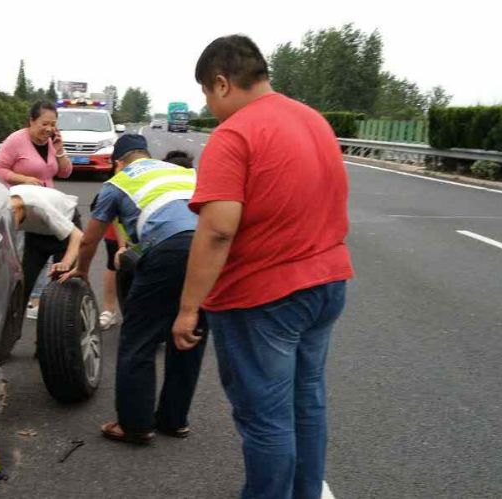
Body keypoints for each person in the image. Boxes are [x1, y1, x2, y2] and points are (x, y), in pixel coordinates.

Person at [172, 35, 354, 499]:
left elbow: (217, 230)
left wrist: (189, 308)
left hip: (265, 297)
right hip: (327, 283)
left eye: (207, 94)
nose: (209, 105)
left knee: (266, 419)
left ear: (221, 83)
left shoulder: (235, 134)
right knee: (305, 403)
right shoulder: (313, 120)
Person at [62, 134, 207, 444]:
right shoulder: (183, 172)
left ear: (118, 162)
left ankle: (135, 424)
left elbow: (89, 239)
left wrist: (82, 271)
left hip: (167, 252)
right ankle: (174, 420)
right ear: (146, 154)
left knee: (139, 339)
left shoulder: (119, 183)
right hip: (210, 249)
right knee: (188, 335)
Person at [0, 100, 74, 317]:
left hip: (47, 207)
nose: (48, 129)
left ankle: (41, 299)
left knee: (48, 252)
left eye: (53, 125)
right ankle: (22, 302)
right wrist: (24, 179)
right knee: (25, 255)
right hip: (23, 207)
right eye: (44, 124)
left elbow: (65, 173)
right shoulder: (16, 141)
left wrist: (59, 150)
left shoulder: (51, 142)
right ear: (31, 121)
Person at [8, 184, 83, 315]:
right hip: (35, 231)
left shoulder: (39, 207)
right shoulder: (1, 203)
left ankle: (75, 319)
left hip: (66, 229)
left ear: (16, 211)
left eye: (10, 222)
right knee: (23, 282)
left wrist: (66, 262)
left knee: (62, 284)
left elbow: (78, 236)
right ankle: (13, 330)